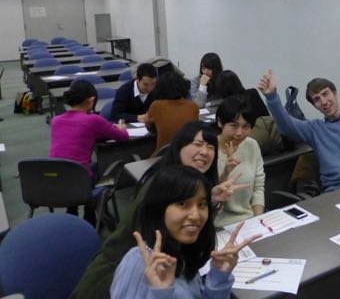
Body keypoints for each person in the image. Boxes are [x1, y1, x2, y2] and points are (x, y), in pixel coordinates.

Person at [70, 121, 249, 299]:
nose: (205, 152)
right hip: (118, 278)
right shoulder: (158, 188)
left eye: (211, 147)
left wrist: (211, 199)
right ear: (179, 146)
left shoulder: (181, 251)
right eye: (198, 144)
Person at [111, 165, 259, 298]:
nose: (196, 216)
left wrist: (219, 276)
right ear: (159, 208)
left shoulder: (183, 251)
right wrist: (159, 294)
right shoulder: (137, 263)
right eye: (182, 203)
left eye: (202, 204)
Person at [49, 79, 129, 177]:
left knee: (93, 165)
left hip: (54, 177)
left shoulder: (55, 120)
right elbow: (123, 137)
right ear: (91, 101)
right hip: (79, 178)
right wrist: (122, 128)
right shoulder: (93, 120)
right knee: (104, 168)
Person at [214, 95, 265, 227]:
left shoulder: (251, 145)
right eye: (234, 126)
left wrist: (258, 221)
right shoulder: (208, 151)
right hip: (218, 226)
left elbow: (258, 188)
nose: (239, 133)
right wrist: (225, 173)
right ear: (220, 122)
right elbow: (209, 200)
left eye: (246, 127)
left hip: (250, 220)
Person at [147, 71, 199, 155]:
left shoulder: (156, 106)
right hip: (187, 154)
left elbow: (150, 128)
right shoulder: (193, 106)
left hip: (163, 155)